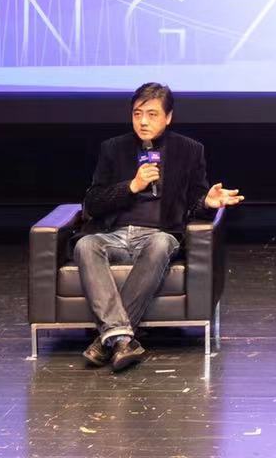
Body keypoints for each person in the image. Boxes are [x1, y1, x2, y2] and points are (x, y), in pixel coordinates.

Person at [74, 82, 242, 371]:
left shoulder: (189, 150)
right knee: (85, 245)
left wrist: (208, 202)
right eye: (137, 114)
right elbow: (93, 202)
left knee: (161, 243)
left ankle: (108, 339)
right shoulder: (113, 149)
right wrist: (132, 186)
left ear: (168, 117)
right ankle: (122, 340)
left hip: (158, 234)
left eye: (152, 114)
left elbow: (195, 202)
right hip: (115, 235)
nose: (143, 122)